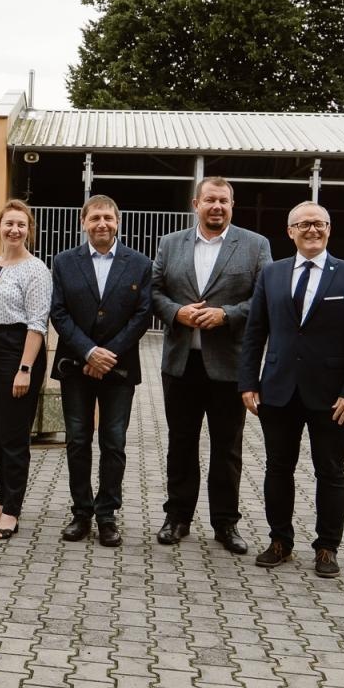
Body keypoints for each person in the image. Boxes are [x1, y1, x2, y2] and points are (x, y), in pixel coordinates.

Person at [239, 202, 344, 579]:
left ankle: (327, 547)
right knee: (277, 469)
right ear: (290, 232)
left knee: (330, 471)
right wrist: (248, 381)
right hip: (278, 392)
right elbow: (254, 333)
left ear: (329, 229)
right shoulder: (272, 274)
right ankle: (279, 541)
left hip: (332, 398)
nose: (311, 230)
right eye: (303, 225)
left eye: (318, 224)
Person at [150, 177, 272, 554]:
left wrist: (227, 314)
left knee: (227, 449)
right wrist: (177, 312)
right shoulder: (170, 244)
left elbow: (265, 298)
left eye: (224, 201)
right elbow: (155, 292)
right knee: (180, 444)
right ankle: (178, 518)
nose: (216, 206)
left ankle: (225, 524)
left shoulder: (254, 245)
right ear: (195, 203)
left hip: (230, 366)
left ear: (232, 205)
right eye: (210, 200)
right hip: (181, 365)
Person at [49, 195, 152, 547]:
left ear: (118, 222)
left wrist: (109, 354)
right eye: (95, 218)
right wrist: (90, 352)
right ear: (84, 223)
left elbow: (142, 315)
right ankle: (81, 512)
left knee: (114, 442)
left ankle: (107, 515)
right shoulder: (63, 263)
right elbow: (59, 313)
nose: (102, 224)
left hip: (120, 369)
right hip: (76, 366)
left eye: (108, 217)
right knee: (78, 440)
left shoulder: (139, 263)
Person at [0, 200, 51, 542]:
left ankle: (12, 511)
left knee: (13, 438)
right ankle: (4, 499)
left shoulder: (36, 270)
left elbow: (38, 324)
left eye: (21, 224)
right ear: (0, 226)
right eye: (9, 223)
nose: (14, 230)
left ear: (28, 230)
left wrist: (25, 369)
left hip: (19, 350)